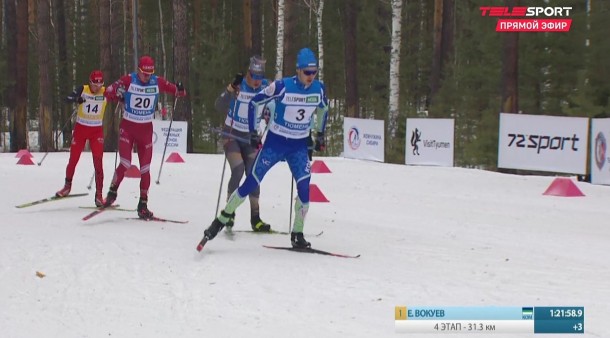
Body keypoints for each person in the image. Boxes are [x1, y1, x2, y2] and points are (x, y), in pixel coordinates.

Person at [203, 48, 328, 248]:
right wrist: (254, 131)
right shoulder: (281, 86)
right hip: (275, 143)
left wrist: (320, 134)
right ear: (298, 70)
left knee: (305, 190)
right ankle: (222, 219)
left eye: (314, 72)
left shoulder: (319, 89)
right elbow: (255, 102)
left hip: (298, 147)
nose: (310, 77)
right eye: (307, 72)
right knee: (251, 181)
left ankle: (297, 233)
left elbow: (323, 109)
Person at [102, 55, 186, 218]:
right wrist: (117, 94)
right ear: (138, 71)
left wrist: (179, 89)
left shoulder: (157, 81)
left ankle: (143, 204)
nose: (147, 77)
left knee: (145, 169)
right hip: (128, 127)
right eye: (144, 74)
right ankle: (112, 192)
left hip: (146, 130)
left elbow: (177, 91)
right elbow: (108, 92)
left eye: (150, 74)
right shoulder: (128, 80)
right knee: (125, 163)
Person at [214, 55, 273, 232]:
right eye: (253, 77)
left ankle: (255, 218)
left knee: (254, 174)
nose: (256, 81)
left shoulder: (265, 87)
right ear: (248, 73)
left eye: (259, 77)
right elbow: (219, 105)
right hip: (231, 134)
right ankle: (229, 211)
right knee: (238, 169)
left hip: (250, 137)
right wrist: (230, 88)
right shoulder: (239, 86)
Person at [55, 70, 108, 207]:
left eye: (100, 84)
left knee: (98, 162)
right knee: (73, 159)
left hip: (96, 131)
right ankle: (67, 186)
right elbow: (67, 98)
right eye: (94, 84)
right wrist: (76, 99)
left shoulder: (105, 91)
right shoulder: (82, 89)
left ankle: (99, 195)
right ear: (90, 82)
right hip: (81, 129)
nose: (97, 87)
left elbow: (120, 96)